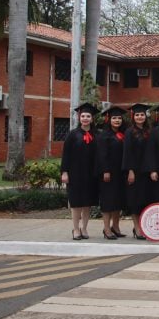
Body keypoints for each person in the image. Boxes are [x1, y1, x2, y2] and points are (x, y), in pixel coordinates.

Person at [61, 102, 100, 240]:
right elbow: (66, 155)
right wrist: (64, 172)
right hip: (75, 173)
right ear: (79, 118)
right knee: (76, 202)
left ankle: (84, 228)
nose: (85, 118)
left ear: (92, 118)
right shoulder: (73, 135)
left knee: (87, 203)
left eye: (88, 116)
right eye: (83, 116)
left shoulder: (97, 135)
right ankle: (76, 229)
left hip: (91, 174)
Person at [96, 105, 128, 239]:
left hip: (121, 172)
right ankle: (106, 229)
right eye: (114, 118)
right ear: (109, 120)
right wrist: (105, 171)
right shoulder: (104, 135)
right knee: (108, 201)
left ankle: (116, 227)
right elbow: (102, 155)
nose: (117, 120)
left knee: (118, 200)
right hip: (108, 173)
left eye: (119, 118)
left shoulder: (123, 133)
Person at [122, 103, 151, 239]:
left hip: (146, 172)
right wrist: (130, 171)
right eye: (138, 115)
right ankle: (137, 228)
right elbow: (127, 153)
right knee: (135, 200)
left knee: (144, 200)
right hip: (135, 171)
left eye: (142, 115)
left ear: (146, 116)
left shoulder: (148, 131)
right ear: (134, 116)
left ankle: (142, 226)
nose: (140, 117)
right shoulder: (129, 132)